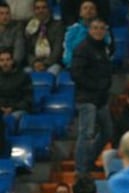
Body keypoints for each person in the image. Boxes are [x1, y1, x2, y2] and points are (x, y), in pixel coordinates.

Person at [71, 17, 113, 174]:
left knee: (108, 131)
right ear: (89, 30)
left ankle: (87, 161)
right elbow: (76, 73)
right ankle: (80, 170)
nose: (98, 31)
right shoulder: (82, 48)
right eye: (95, 28)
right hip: (86, 98)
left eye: (102, 28)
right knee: (86, 133)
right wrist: (95, 86)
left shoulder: (104, 48)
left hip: (101, 98)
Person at [62, 0, 112, 68]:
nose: (88, 10)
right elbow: (67, 51)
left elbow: (107, 50)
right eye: (85, 8)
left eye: (91, 8)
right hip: (75, 66)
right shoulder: (72, 30)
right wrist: (74, 64)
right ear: (80, 13)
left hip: (98, 66)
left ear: (96, 12)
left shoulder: (104, 29)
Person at [24, 0, 65, 75]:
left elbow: (58, 50)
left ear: (49, 9)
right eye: (38, 8)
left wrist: (45, 63)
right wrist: (34, 62)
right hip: (33, 64)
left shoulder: (58, 25)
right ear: (34, 11)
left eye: (44, 7)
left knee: (51, 73)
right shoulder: (29, 27)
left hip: (53, 63)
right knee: (24, 74)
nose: (41, 10)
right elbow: (26, 50)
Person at [0, 48, 32, 123]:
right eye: (2, 60)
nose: (5, 63)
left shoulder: (23, 76)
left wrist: (12, 108)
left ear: (12, 61)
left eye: (8, 60)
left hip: (17, 110)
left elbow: (28, 100)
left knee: (8, 120)